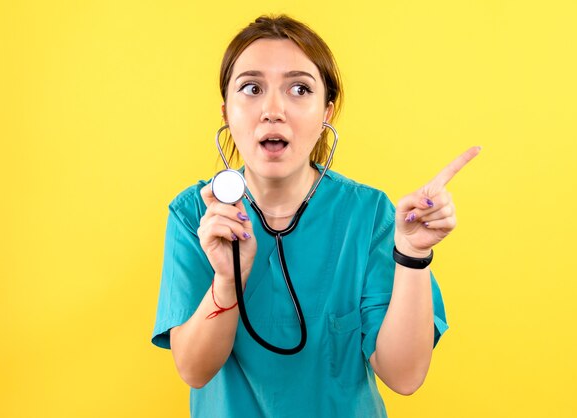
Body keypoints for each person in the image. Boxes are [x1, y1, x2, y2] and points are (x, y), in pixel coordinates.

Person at [152, 14, 480, 417]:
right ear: (225, 113)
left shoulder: (369, 215)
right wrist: (226, 280)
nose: (273, 110)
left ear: (327, 112)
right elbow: (194, 369)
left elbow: (405, 376)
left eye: (299, 89)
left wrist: (411, 254)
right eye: (252, 88)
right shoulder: (193, 215)